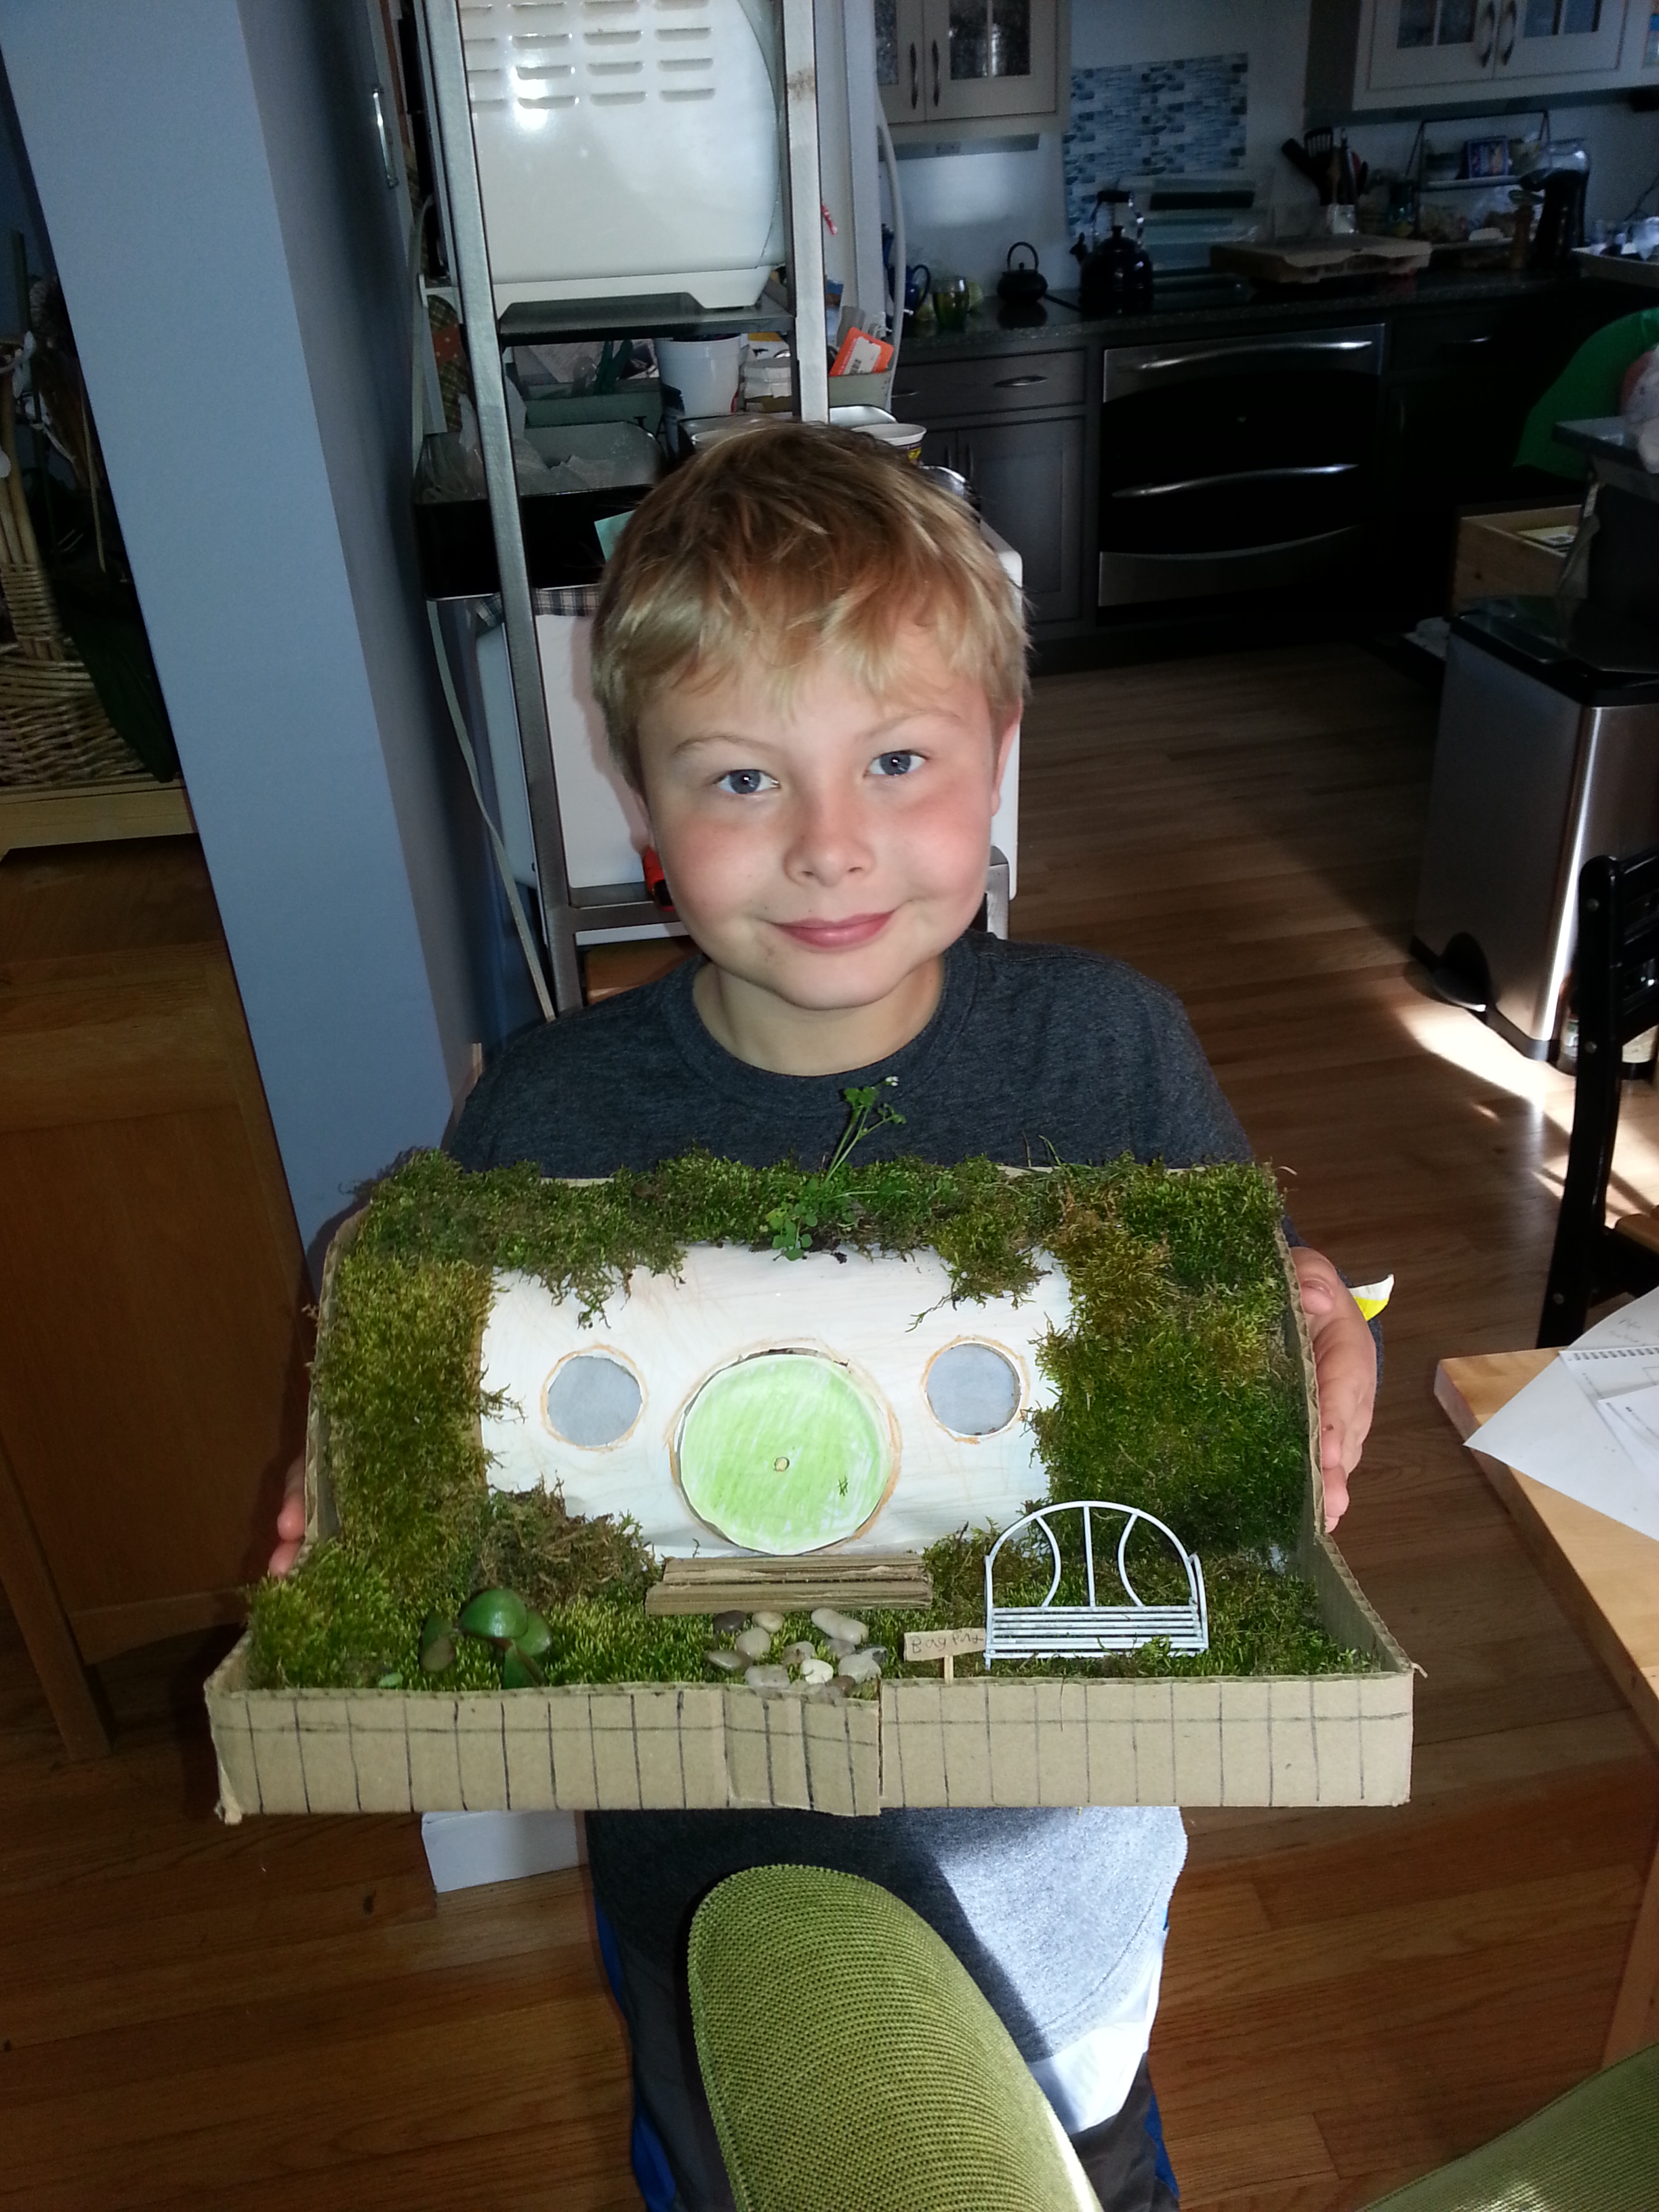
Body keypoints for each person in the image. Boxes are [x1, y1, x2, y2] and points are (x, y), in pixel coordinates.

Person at [271, 424, 1377, 2209]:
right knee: (741, 2167)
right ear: (640, 804)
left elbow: (1248, 1322)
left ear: (999, 751)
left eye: (897, 760)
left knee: (1077, 2168)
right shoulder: (554, 1112)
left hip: (1051, 1909)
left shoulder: (1107, 1049)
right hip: (717, 1902)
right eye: (740, 780)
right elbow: (444, 1386)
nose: (829, 847)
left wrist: (1320, 1329)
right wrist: (367, 1417)